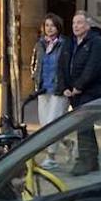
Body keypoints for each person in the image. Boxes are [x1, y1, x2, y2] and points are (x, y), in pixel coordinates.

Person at [57, 10, 101, 175]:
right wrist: (64, 86)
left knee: (83, 125)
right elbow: (62, 65)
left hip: (89, 91)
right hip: (72, 92)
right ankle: (92, 159)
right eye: (73, 23)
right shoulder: (69, 43)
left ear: (88, 24)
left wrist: (79, 86)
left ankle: (85, 160)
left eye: (79, 23)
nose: (75, 26)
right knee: (85, 126)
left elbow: (93, 67)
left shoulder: (96, 43)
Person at [31, 12, 70, 170]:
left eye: (52, 26)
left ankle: (51, 157)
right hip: (43, 88)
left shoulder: (65, 44)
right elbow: (35, 63)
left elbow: (68, 66)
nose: (49, 28)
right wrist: (34, 77)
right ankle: (68, 143)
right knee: (45, 124)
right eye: (47, 25)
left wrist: (68, 85)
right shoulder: (40, 44)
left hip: (59, 89)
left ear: (58, 27)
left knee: (52, 123)